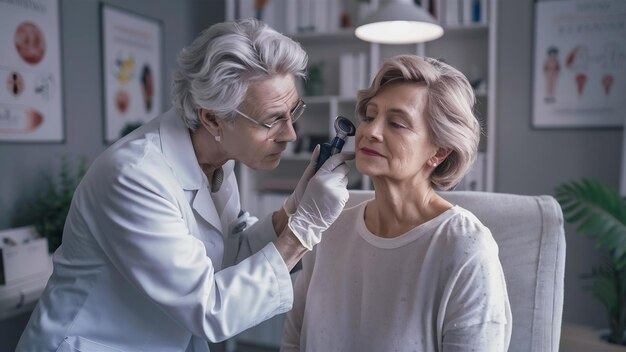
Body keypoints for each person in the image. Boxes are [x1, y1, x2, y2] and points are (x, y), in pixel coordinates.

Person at [17, 19, 352, 352]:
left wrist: (294, 208)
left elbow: (227, 254)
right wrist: (305, 228)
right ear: (212, 119)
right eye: (271, 120)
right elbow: (209, 308)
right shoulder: (135, 177)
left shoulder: (216, 160)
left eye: (292, 113)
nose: (290, 135)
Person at [281, 55, 512, 351]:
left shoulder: (466, 247)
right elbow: (292, 343)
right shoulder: (328, 229)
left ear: (439, 152)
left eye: (396, 123)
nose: (370, 132)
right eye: (369, 115)